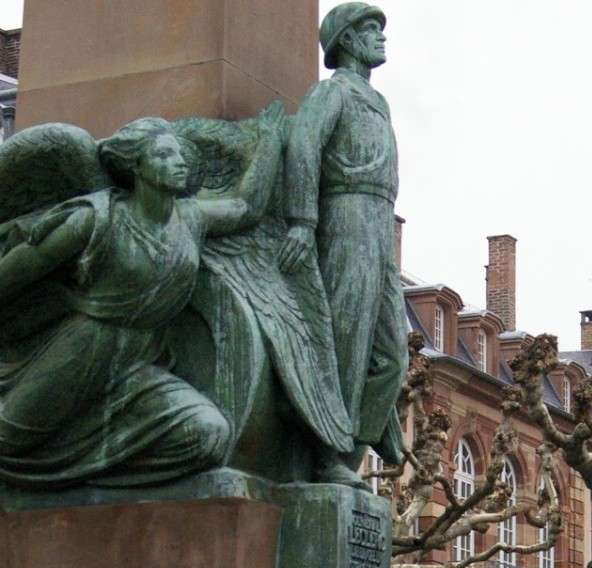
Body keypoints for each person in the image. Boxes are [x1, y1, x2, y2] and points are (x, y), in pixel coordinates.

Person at [0, 107, 285, 487]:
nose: (179, 162)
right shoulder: (95, 219)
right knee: (7, 442)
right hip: (80, 354)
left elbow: (245, 208)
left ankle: (92, 476)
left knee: (209, 436)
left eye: (179, 154)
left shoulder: (191, 219)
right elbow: (11, 276)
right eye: (164, 155)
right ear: (137, 166)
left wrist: (270, 142)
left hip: (139, 363)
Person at [279, 2, 407, 484]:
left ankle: (348, 450)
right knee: (346, 339)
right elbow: (303, 146)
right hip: (346, 215)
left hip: (379, 221)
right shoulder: (332, 93)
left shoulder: (379, 102)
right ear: (346, 41)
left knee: (393, 357)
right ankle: (327, 456)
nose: (380, 37)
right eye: (370, 29)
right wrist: (302, 220)